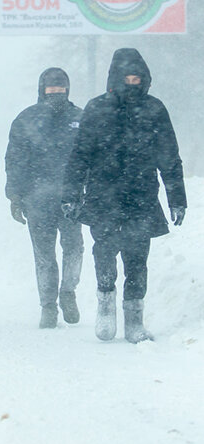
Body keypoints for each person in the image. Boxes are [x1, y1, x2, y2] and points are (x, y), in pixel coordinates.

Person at [61, 48, 186, 343]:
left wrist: (177, 198)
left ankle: (134, 320)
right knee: (103, 253)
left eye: (137, 77)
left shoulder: (155, 109)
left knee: (137, 259)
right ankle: (105, 309)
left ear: (146, 79)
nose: (133, 82)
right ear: (115, 78)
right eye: (127, 77)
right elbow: (79, 156)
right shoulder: (96, 109)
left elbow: (170, 158)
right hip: (103, 197)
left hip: (141, 197)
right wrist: (71, 193)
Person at [5, 67, 84, 328]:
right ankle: (48, 306)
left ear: (68, 89)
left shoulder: (81, 118)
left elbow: (92, 159)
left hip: (72, 199)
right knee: (44, 255)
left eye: (60, 88)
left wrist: (91, 191)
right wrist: (15, 196)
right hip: (37, 200)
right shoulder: (26, 119)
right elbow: (14, 160)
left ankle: (68, 292)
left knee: (74, 250)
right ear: (42, 89)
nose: (56, 93)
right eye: (51, 89)